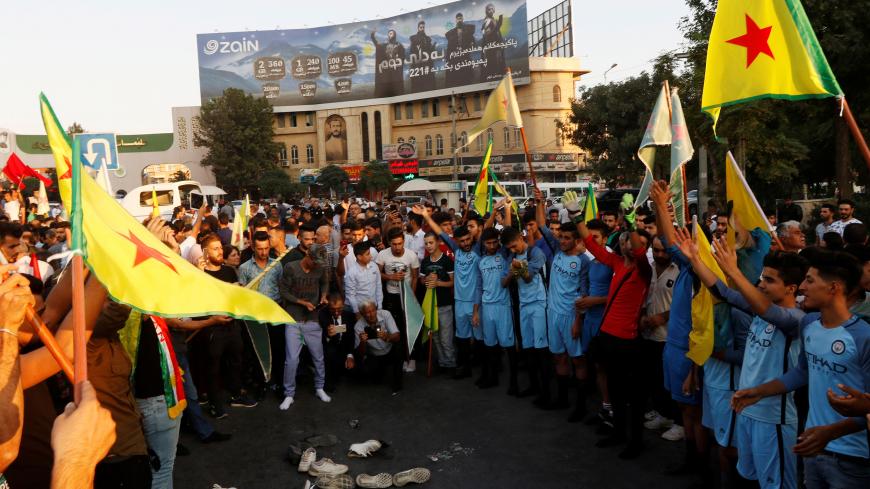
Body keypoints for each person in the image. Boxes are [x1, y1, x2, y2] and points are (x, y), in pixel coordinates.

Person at [676, 231, 807, 489]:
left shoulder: (796, 321)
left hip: (774, 420)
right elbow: (722, 292)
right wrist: (695, 260)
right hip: (747, 410)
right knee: (747, 477)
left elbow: (767, 311)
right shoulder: (758, 309)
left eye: (769, 280)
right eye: (761, 278)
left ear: (791, 288)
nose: (761, 285)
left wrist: (734, 271)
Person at [732, 250, 870, 488]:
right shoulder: (809, 324)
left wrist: (832, 432)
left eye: (810, 280)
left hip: (852, 455)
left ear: (833, 288)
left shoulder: (862, 336)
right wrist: (760, 391)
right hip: (812, 446)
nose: (802, 287)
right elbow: (802, 372)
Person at [576, 199, 652, 459]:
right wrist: (576, 215)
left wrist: (631, 223)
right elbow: (593, 247)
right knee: (616, 390)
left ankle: (636, 441)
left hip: (627, 341)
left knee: (633, 395)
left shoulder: (643, 271)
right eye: (624, 239)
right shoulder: (618, 264)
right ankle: (618, 433)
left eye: (632, 240)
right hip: (608, 337)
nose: (626, 243)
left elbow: (640, 254)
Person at [417, 205, 480, 379]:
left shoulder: (477, 250)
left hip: (475, 302)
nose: (465, 243)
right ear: (456, 242)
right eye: (462, 241)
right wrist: (426, 216)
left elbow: (482, 232)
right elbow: (441, 233)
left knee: (478, 338)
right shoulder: (456, 250)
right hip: (458, 301)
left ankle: (485, 368)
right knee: (459, 337)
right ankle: (459, 366)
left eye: (468, 239)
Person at [199, 234, 256, 418]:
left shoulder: (229, 271)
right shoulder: (200, 274)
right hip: (212, 329)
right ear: (205, 252)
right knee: (213, 367)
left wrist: (238, 290)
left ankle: (236, 394)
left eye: (221, 248)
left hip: (232, 327)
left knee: (236, 361)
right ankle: (215, 404)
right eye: (215, 249)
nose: (220, 251)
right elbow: (197, 302)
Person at [500, 226, 552, 405]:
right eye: (510, 249)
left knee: (541, 350)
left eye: (514, 246)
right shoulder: (511, 257)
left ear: (521, 238)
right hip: (523, 305)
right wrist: (510, 274)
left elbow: (528, 277)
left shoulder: (535, 253)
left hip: (539, 304)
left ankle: (546, 392)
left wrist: (517, 269)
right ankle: (533, 386)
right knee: (528, 349)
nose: (513, 250)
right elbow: (504, 282)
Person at [278, 244, 332, 410]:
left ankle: (319, 387)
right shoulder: (291, 268)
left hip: (313, 318)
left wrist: (323, 296)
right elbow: (283, 291)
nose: (317, 265)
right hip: (293, 317)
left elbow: (325, 283)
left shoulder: (320, 268)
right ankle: (289, 394)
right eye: (315, 262)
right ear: (308, 255)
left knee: (318, 356)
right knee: (292, 359)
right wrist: (302, 302)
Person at [375, 227, 420, 371]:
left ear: (404, 241)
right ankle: (398, 358)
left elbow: (415, 277)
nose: (397, 247)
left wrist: (412, 296)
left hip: (407, 296)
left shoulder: (411, 255)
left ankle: (411, 358)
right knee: (395, 328)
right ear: (389, 243)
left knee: (409, 327)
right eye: (394, 244)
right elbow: (377, 274)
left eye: (400, 243)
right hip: (390, 295)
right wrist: (390, 277)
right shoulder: (382, 254)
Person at [418, 231, 456, 373]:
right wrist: (426, 279)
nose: (428, 246)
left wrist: (438, 283)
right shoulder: (425, 262)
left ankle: (451, 363)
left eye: (431, 242)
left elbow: (452, 283)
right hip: (431, 305)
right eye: (426, 243)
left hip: (445, 305)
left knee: (446, 338)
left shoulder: (447, 261)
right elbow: (422, 280)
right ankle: (442, 362)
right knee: (436, 338)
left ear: (438, 242)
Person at [354, 301, 403, 394]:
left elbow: (397, 336)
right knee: (370, 375)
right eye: (367, 312)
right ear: (362, 314)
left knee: (399, 347)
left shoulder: (385, 314)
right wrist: (363, 342)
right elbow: (360, 354)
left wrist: (387, 337)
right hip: (374, 355)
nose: (371, 314)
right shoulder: (358, 326)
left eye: (373, 310)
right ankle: (380, 371)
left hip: (390, 350)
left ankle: (398, 382)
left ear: (376, 309)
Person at [318, 293, 358, 392]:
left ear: (343, 305)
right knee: (329, 353)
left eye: (339, 309)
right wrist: (327, 334)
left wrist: (350, 356)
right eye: (333, 309)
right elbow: (320, 337)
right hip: (327, 348)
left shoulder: (349, 316)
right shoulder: (321, 315)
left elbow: (351, 337)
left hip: (344, 348)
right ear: (328, 306)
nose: (336, 313)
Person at [344, 241, 383, 314]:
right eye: (367, 254)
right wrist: (357, 312)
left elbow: (378, 286)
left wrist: (379, 306)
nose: (371, 256)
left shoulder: (374, 266)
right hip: (360, 309)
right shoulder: (351, 272)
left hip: (374, 307)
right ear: (359, 257)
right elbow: (350, 295)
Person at [370, 30, 405, 98]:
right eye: (389, 34)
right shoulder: (385, 45)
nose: (389, 35)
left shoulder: (399, 45)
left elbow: (402, 55)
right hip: (387, 70)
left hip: (395, 70)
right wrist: (373, 37)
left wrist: (398, 59)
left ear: (394, 34)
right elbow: (378, 45)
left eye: (391, 33)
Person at [445, 12, 476, 87]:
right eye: (458, 19)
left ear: (463, 19)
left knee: (467, 78)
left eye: (461, 18)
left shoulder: (468, 30)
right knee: (457, 78)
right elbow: (449, 47)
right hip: (456, 58)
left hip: (465, 57)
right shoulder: (451, 33)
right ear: (456, 20)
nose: (459, 20)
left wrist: (471, 43)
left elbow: (473, 42)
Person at [480, 3, 506, 81]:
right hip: (490, 46)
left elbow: (497, 33)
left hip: (497, 45)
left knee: (500, 63)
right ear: (486, 11)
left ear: (494, 10)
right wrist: (498, 25)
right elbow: (488, 34)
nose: (491, 11)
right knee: (493, 65)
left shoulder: (495, 20)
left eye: (492, 9)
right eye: (489, 9)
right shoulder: (487, 21)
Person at [408, 20, 436, 92]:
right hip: (418, 64)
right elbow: (412, 51)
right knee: (418, 82)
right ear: (418, 28)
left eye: (423, 27)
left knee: (428, 82)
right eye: (421, 27)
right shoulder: (413, 38)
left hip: (427, 63)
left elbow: (430, 51)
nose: (422, 29)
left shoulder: (427, 39)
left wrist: (433, 46)